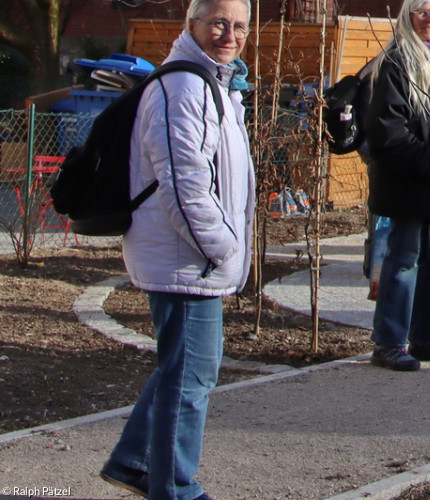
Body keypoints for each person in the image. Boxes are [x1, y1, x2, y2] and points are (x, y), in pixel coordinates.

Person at [99, 0, 256, 497]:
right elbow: (184, 182)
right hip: (187, 255)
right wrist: (220, 248)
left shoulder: (217, 83)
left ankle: (133, 460)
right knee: (192, 374)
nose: (229, 35)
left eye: (239, 27)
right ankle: (175, 486)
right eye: (218, 24)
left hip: (193, 254)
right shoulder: (185, 85)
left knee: (182, 366)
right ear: (191, 26)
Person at [361, 0, 430, 371]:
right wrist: (427, 165)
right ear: (407, 18)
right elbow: (387, 132)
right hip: (407, 181)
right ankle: (389, 342)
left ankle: (428, 337)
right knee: (403, 259)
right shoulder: (395, 63)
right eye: (422, 12)